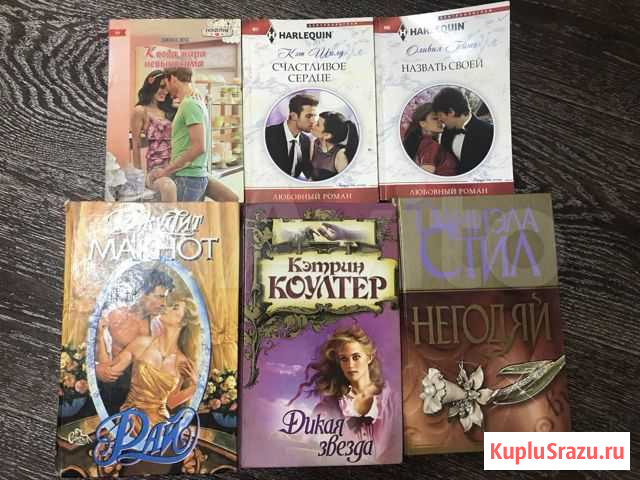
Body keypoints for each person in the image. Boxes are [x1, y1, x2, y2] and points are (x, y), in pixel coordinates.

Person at [290, 325, 400, 462]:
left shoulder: (392, 401)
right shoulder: (330, 405)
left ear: (369, 358)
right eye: (344, 359)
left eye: (356, 357)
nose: (350, 365)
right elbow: (311, 439)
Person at [97, 297, 200, 427]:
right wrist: (100, 336)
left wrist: (194, 388)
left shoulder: (183, 362)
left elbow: (170, 402)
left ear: (183, 321)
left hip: (159, 426)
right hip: (130, 420)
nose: (166, 308)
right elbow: (108, 373)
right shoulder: (141, 343)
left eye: (174, 308)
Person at [148, 67, 237, 201]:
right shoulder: (195, 102)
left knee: (181, 214)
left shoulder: (189, 104)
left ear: (173, 79)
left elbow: (199, 147)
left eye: (166, 84)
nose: (166, 89)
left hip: (188, 177)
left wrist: (166, 171)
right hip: (192, 175)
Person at [130, 70, 177, 201]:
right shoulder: (140, 111)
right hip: (156, 170)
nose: (165, 91)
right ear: (151, 85)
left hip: (176, 166)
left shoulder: (169, 109)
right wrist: (139, 178)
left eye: (167, 88)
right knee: (168, 187)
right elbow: (136, 144)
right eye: (161, 87)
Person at [432, 87, 494, 175]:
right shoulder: (446, 132)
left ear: (451, 112)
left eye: (440, 115)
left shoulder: (489, 132)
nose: (439, 119)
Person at [265, 94, 318, 179]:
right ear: (293, 116)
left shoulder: (306, 140)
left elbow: (306, 170)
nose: (313, 121)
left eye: (314, 116)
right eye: (309, 116)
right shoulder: (268, 134)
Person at [402, 102, 458, 176]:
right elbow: (426, 176)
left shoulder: (422, 143)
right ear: (423, 123)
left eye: (441, 118)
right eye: (435, 118)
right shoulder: (430, 144)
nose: (440, 121)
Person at [309, 111, 359, 181]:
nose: (313, 124)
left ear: (327, 135)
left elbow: (346, 182)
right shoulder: (315, 143)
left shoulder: (340, 155)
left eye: (317, 124)